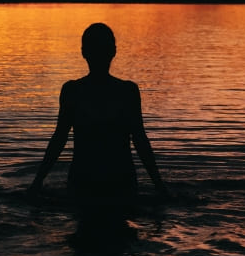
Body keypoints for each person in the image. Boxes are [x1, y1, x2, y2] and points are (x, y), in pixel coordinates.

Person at [28, 22, 168, 209]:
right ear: (114, 52)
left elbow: (59, 139)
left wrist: (37, 182)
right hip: (118, 182)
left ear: (83, 52)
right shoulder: (127, 91)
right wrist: (160, 187)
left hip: (87, 182)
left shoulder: (73, 91)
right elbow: (140, 140)